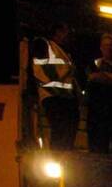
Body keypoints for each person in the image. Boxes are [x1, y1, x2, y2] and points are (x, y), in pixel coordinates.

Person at [31, 22, 80, 150]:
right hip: (53, 97)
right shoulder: (45, 45)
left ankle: (64, 160)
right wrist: (67, 69)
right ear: (58, 32)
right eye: (66, 31)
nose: (69, 35)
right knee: (59, 134)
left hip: (66, 99)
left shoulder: (63, 51)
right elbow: (42, 70)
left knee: (67, 136)